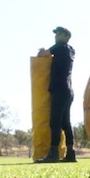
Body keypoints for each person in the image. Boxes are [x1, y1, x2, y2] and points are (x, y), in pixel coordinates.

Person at [35, 26, 76, 163]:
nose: (56, 36)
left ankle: (53, 154)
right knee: (66, 123)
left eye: (59, 34)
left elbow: (43, 54)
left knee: (55, 122)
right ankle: (71, 153)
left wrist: (42, 51)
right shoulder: (70, 50)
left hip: (59, 89)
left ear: (66, 37)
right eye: (56, 34)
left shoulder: (60, 47)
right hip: (68, 90)